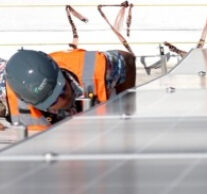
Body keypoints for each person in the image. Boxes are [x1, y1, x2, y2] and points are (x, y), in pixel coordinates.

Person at [4, 48, 135, 132]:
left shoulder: (96, 69)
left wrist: (126, 108)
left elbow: (128, 59)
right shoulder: (8, 91)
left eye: (62, 89)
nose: (63, 98)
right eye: (53, 101)